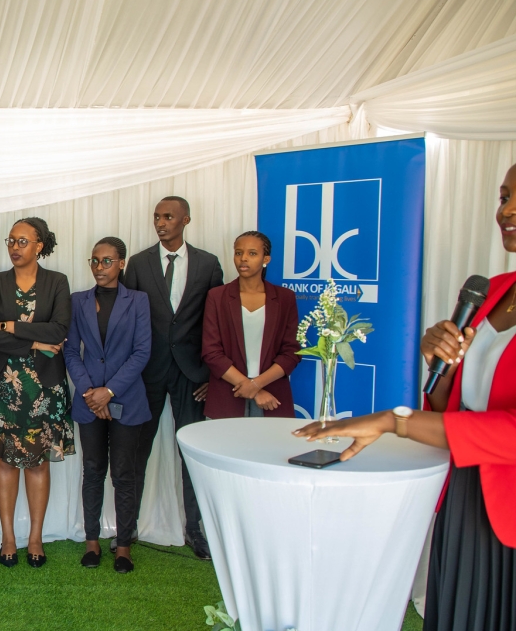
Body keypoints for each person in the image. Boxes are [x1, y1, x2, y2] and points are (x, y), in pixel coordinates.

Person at [296, 162, 516, 630]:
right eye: (504, 197)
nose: (507, 211)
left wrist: (393, 420)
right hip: (467, 491)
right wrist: (438, 362)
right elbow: (454, 405)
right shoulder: (495, 291)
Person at [122, 196, 223, 560]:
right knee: (136, 452)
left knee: (192, 455)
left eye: (168, 217)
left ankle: (195, 530)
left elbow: (216, 322)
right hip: (146, 373)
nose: (160, 223)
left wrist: (213, 374)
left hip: (192, 375)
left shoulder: (208, 264)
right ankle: (126, 527)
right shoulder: (138, 263)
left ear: (186, 220)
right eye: (156, 217)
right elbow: (126, 319)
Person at [0, 217, 74, 568]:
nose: (14, 247)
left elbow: (59, 330)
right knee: (4, 461)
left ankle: (35, 538)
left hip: (44, 388)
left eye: (22, 241)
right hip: (3, 386)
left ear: (39, 245)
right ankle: (8, 538)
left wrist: (12, 326)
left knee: (38, 462)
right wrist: (34, 341)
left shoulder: (57, 281)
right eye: (11, 241)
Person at [64, 237, 152, 574]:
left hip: (127, 400)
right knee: (93, 471)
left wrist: (109, 391)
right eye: (95, 260)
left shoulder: (138, 301)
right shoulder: (78, 300)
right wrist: (91, 392)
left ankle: (124, 546)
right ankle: (91, 542)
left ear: (121, 263)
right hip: (89, 402)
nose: (99, 267)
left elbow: (142, 352)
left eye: (107, 261)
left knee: (124, 475)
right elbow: (71, 350)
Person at [201, 231, 300, 419]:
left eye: (252, 253)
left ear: (266, 259)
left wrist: (256, 385)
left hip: (272, 395)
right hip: (227, 395)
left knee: (270, 439)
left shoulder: (285, 298)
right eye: (238, 253)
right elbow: (211, 352)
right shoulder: (217, 296)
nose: (243, 258)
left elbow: (291, 352)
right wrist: (253, 389)